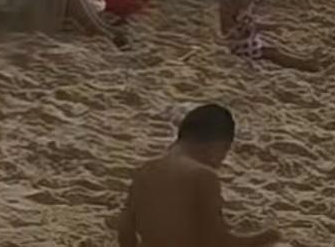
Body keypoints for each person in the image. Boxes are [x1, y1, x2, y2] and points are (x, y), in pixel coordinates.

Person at [118, 103, 279, 247]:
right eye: (224, 154)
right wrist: (265, 237)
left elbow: (125, 232)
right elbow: (218, 242)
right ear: (218, 147)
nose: (219, 163)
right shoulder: (203, 175)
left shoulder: (145, 170)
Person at [219, 0, 329, 70]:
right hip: (237, 46)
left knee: (276, 46)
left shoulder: (244, 2)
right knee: (272, 52)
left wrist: (271, 25)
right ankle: (305, 64)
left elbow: (248, 22)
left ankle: (304, 59)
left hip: (246, 39)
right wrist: (265, 27)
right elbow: (230, 30)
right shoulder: (231, 5)